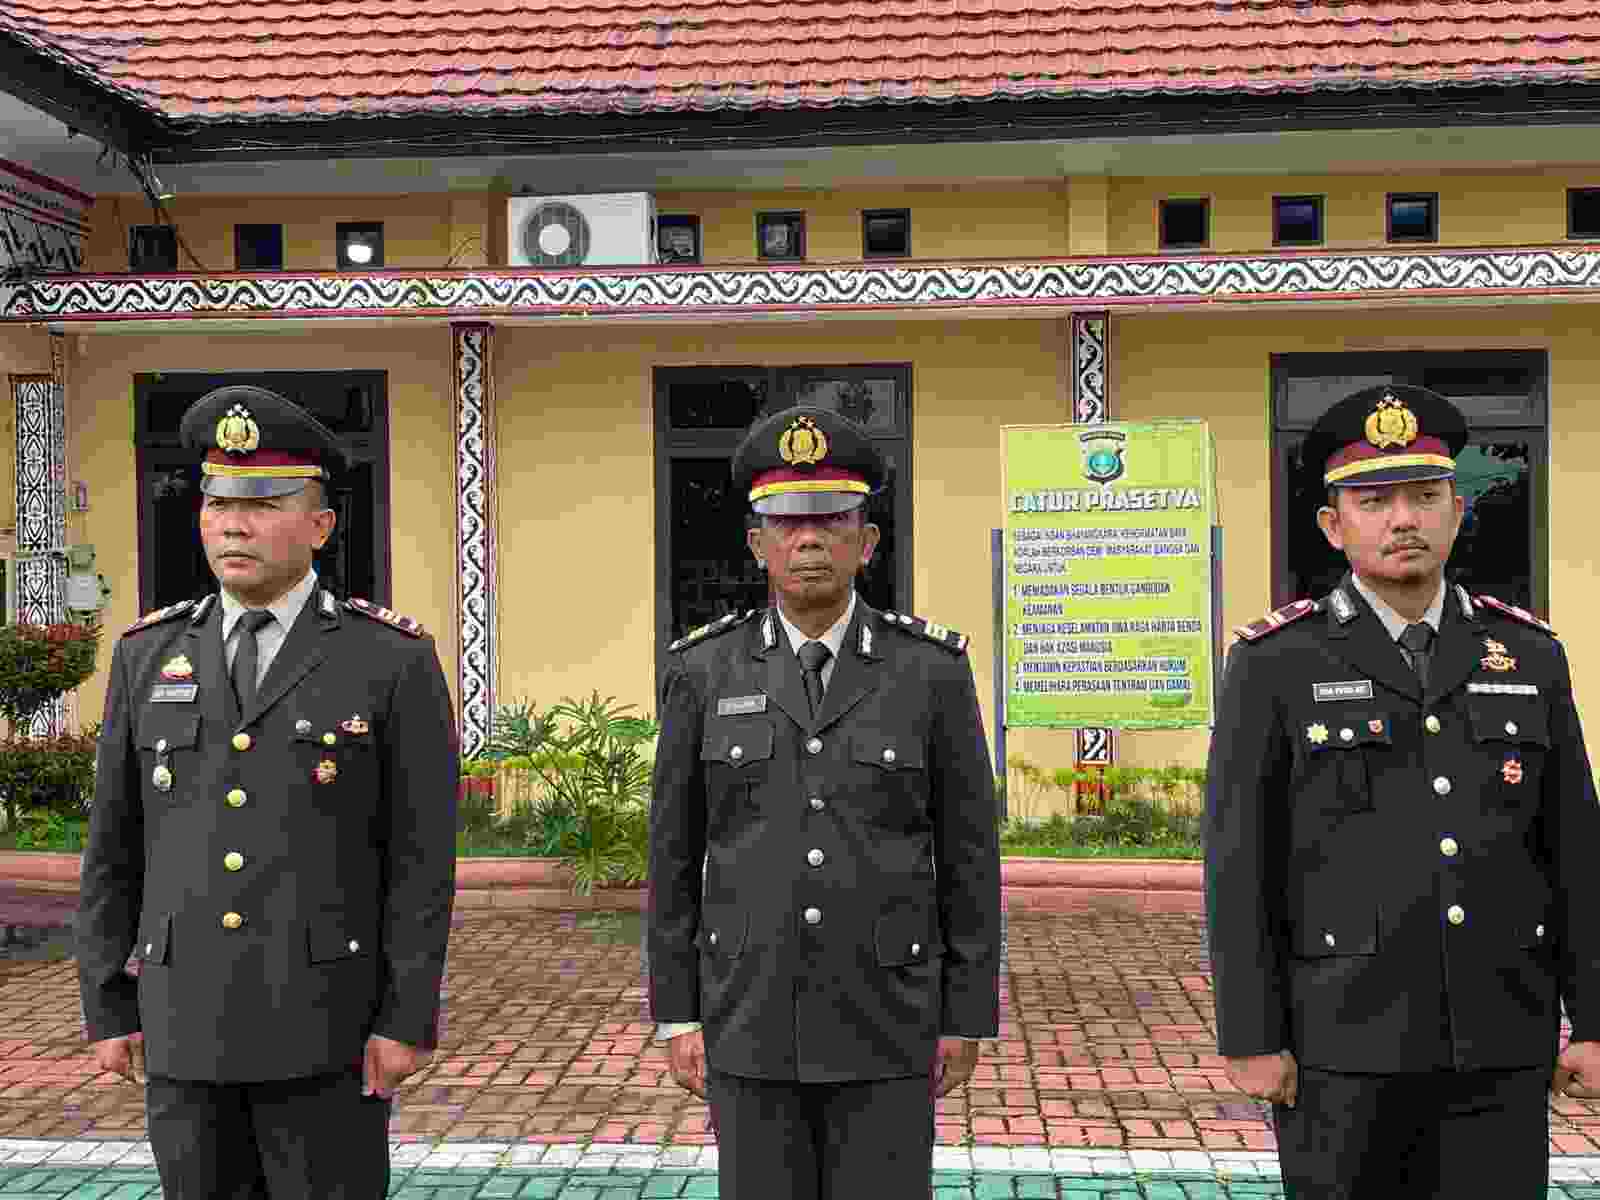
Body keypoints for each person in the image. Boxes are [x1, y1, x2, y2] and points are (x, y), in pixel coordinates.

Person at [1205, 383, 1600, 1197]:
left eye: (1424, 497)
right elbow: (1240, 862)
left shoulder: (1529, 655)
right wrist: (1251, 1034)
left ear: (1458, 511)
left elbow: (1575, 853)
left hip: (1501, 1036)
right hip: (1340, 1043)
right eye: (1375, 502)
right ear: (1333, 525)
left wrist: (1594, 1021)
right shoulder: (1276, 662)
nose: (1403, 520)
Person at [76, 384, 459, 1199]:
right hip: (184, 1025)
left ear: (320, 525)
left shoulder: (388, 659)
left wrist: (405, 1018)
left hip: (325, 1025)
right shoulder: (147, 655)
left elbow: (420, 863)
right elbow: (113, 848)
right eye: (218, 504)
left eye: (262, 505)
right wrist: (109, 1006)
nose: (233, 525)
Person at [647, 404, 1002, 1198]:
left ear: (866, 543)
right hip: (749, 1014)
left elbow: (970, 857)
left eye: (832, 521)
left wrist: (964, 1013)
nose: (808, 540)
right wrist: (678, 1013)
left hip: (890, 1016)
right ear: (757, 544)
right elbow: (673, 855)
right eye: (786, 523)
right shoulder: (703, 672)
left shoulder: (930, 672)